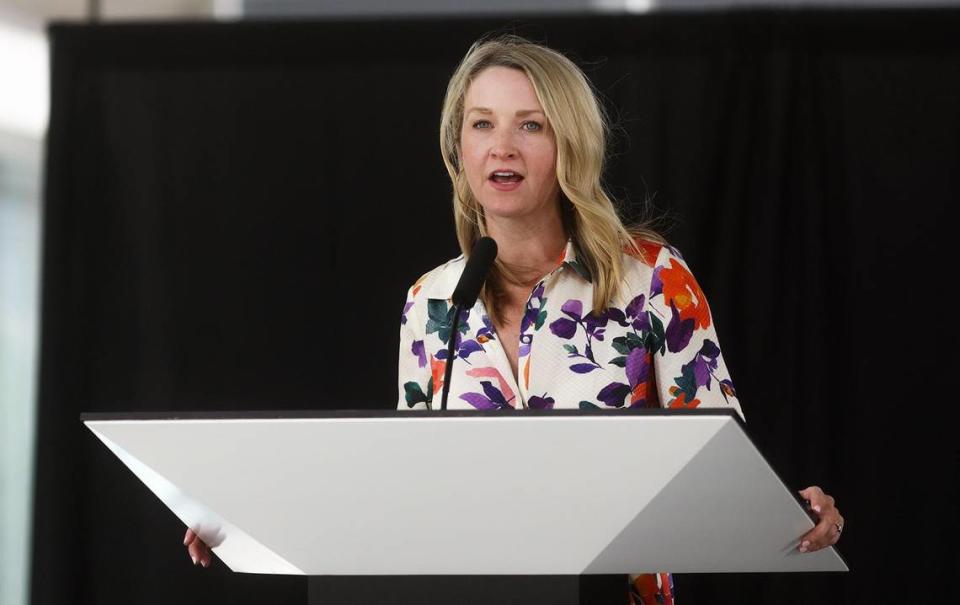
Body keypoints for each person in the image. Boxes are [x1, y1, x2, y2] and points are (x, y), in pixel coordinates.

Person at [185, 35, 845, 603]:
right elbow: (404, 485)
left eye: (530, 124)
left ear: (569, 144)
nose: (503, 145)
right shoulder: (431, 301)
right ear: (459, 148)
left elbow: (722, 460)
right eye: (482, 123)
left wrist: (797, 510)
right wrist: (253, 520)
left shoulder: (650, 278)